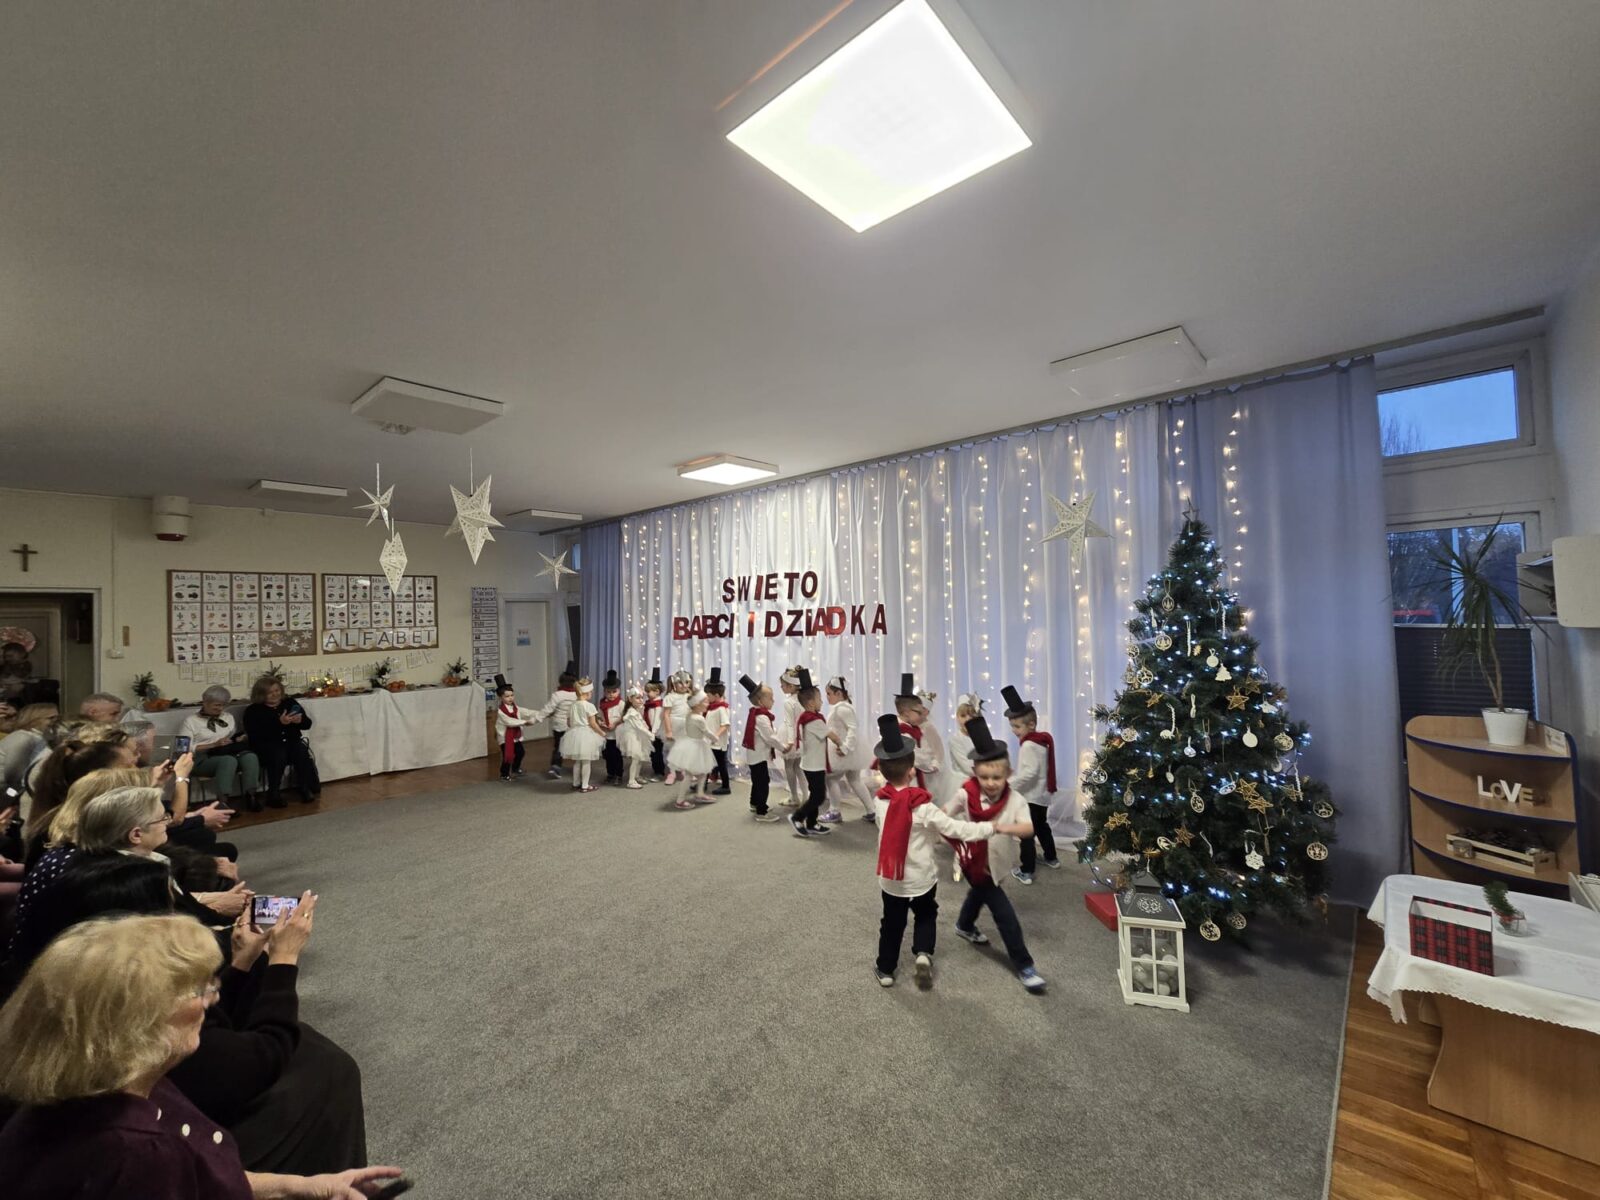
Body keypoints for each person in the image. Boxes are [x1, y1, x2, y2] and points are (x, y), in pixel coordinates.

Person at [0, 913, 403, 1199]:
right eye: (197, 991)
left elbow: (205, 1178)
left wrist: (296, 1186)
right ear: (138, 1025)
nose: (210, 999)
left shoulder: (114, 1083)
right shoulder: (133, 1157)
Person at [871, 715, 1031, 989]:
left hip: (891, 880)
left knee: (892, 923)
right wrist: (989, 827)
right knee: (926, 914)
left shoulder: (879, 801)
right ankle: (923, 953)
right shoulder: (923, 807)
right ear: (912, 771)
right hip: (922, 878)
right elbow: (955, 828)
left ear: (883, 772)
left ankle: (885, 969)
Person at [945, 714, 1047, 991]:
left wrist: (999, 827)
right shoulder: (966, 793)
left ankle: (964, 925)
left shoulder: (1015, 799)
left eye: (996, 777)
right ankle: (1024, 965)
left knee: (978, 893)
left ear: (1008, 774)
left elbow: (1028, 829)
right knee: (1004, 914)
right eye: (984, 777)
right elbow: (945, 813)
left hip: (997, 861)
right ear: (974, 773)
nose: (990, 783)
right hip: (972, 861)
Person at [1002, 685, 1061, 884]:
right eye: (1012, 726)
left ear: (1031, 724)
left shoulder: (1028, 745)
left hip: (1031, 797)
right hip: (1042, 796)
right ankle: (1051, 858)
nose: (1014, 731)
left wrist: (1009, 785)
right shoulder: (1041, 740)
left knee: (1026, 833)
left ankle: (1026, 871)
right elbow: (1038, 769)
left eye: (1017, 726)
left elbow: (1029, 773)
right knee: (1042, 827)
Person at [180, 686, 263, 811]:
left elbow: (231, 737)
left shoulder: (228, 717)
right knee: (228, 761)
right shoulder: (191, 721)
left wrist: (238, 739)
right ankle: (222, 802)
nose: (220, 708)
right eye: (217, 705)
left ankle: (251, 796)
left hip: (226, 752)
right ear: (205, 702)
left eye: (223, 705)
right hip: (201, 758)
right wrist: (213, 745)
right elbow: (183, 747)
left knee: (250, 757)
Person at [243, 677, 319, 808]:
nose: (275, 694)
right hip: (266, 745)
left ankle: (304, 787)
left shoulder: (289, 703)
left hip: (291, 742)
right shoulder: (253, 710)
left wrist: (299, 721)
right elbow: (255, 734)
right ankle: (273, 792)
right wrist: (279, 723)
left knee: (300, 750)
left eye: (277, 690)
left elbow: (307, 724)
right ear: (261, 694)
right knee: (278, 753)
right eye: (270, 692)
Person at [823, 676, 873, 823]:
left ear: (839, 693)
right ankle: (871, 810)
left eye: (829, 694)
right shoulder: (844, 707)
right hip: (849, 749)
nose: (827, 697)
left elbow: (853, 729)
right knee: (855, 780)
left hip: (843, 749)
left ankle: (834, 811)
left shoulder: (842, 708)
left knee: (831, 779)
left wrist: (845, 748)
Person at [789, 670, 832, 838]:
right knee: (819, 796)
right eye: (820, 699)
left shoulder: (808, 717)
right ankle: (797, 816)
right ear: (811, 702)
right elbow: (830, 734)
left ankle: (812, 823)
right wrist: (842, 745)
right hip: (814, 765)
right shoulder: (814, 720)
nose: (822, 702)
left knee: (815, 794)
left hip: (812, 763)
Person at [738, 674, 783, 823]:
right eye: (770, 698)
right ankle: (761, 811)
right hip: (758, 757)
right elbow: (770, 738)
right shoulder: (762, 718)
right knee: (763, 782)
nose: (773, 701)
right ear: (760, 701)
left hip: (754, 756)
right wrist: (783, 747)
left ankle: (754, 803)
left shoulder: (755, 713)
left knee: (757, 781)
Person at [665, 692, 716, 810]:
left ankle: (700, 793)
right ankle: (680, 800)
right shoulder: (699, 718)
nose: (708, 703)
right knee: (689, 775)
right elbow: (706, 732)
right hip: (695, 746)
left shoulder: (690, 714)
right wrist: (715, 739)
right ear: (697, 704)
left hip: (691, 743)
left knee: (703, 772)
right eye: (705, 701)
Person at [534, 662, 578, 777]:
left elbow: (548, 709)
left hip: (559, 726)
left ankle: (555, 767)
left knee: (558, 747)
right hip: (573, 725)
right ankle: (580, 767)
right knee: (577, 746)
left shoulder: (558, 695)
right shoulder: (577, 695)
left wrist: (536, 718)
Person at [562, 678, 605, 792]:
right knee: (586, 761)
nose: (592, 693)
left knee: (577, 761)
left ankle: (575, 783)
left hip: (575, 733)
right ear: (587, 692)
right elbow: (593, 724)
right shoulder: (589, 706)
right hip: (586, 734)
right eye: (591, 692)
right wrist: (601, 732)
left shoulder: (572, 705)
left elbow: (568, 722)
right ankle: (585, 785)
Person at [615, 685, 653, 789]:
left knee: (640, 757)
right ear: (630, 699)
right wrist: (650, 734)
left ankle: (636, 776)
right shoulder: (631, 712)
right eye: (637, 698)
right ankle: (631, 781)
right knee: (636, 759)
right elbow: (639, 726)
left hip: (638, 736)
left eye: (642, 698)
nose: (641, 700)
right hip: (633, 737)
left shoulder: (637, 710)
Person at [776, 667, 805, 806]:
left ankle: (794, 797)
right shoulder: (803, 699)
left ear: (791, 686)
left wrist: (789, 742)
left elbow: (789, 723)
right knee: (799, 767)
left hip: (791, 736)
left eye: (783, 685)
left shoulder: (789, 702)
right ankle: (806, 795)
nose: (781, 687)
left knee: (789, 766)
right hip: (801, 735)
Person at [493, 677, 529, 782]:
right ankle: (504, 774)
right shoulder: (501, 711)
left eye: (512, 695)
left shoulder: (514, 707)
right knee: (508, 755)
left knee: (520, 752)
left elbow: (525, 712)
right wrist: (525, 722)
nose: (510, 698)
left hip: (515, 736)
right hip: (505, 737)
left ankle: (515, 769)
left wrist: (538, 714)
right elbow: (509, 722)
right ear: (501, 697)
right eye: (507, 696)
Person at [703, 668, 732, 795]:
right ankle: (702, 783)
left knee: (721, 764)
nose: (706, 697)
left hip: (718, 743)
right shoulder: (711, 708)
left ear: (716, 696)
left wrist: (715, 736)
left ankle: (726, 786)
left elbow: (725, 725)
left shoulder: (721, 709)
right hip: (710, 742)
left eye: (708, 695)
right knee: (706, 762)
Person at [660, 669, 692, 787]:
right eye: (680, 683)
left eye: (686, 682)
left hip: (686, 726)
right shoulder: (670, 697)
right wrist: (669, 731)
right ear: (674, 684)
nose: (684, 686)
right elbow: (666, 715)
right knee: (672, 750)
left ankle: (683, 769)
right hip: (674, 725)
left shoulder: (689, 696)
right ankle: (672, 773)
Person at [596, 670, 625, 786]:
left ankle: (619, 774)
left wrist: (615, 724)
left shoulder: (621, 704)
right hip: (607, 734)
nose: (611, 694)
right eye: (608, 692)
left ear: (619, 691)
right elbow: (598, 716)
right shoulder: (602, 704)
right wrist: (601, 722)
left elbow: (625, 717)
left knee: (617, 756)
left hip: (617, 734)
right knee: (608, 756)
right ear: (604, 691)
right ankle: (610, 773)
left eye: (614, 692)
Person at [643, 669, 667, 780]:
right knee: (652, 753)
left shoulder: (658, 705)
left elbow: (657, 720)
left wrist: (653, 733)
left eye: (649, 691)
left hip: (657, 733)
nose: (647, 694)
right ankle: (655, 770)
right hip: (650, 731)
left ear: (657, 691)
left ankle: (659, 772)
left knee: (657, 752)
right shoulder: (649, 704)